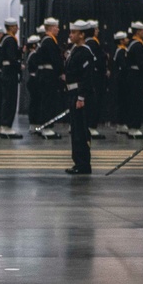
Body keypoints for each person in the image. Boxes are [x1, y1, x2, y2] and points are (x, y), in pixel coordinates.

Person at [64, 20, 94, 174]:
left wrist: (81, 97)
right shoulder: (75, 50)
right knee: (75, 130)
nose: (71, 35)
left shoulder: (85, 52)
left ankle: (83, 164)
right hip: (72, 93)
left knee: (81, 131)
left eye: (74, 32)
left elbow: (87, 77)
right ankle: (78, 162)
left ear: (82, 35)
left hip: (79, 94)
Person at [34, 17, 64, 139]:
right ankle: (47, 128)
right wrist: (61, 73)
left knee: (45, 101)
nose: (58, 29)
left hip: (43, 74)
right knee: (49, 102)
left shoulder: (44, 41)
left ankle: (43, 126)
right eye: (56, 27)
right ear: (51, 28)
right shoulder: (49, 41)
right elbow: (55, 60)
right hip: (48, 75)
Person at [0, 17, 22, 138]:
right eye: (16, 26)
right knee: (10, 100)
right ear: (11, 27)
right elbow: (12, 58)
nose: (17, 28)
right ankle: (7, 126)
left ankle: (4, 125)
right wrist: (20, 66)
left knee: (6, 99)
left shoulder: (3, 39)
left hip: (5, 71)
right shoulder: (11, 40)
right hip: (10, 73)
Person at [124, 21, 143, 139]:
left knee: (131, 102)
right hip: (136, 77)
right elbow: (142, 63)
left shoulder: (131, 44)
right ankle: (134, 127)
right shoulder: (138, 45)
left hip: (131, 76)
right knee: (136, 102)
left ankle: (132, 126)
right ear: (138, 32)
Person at [84, 20, 106, 139]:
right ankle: (91, 126)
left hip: (95, 75)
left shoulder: (91, 43)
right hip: (95, 76)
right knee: (93, 101)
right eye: (96, 29)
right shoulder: (92, 43)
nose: (98, 31)